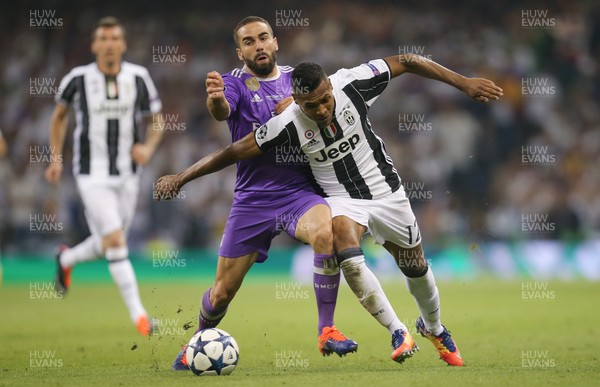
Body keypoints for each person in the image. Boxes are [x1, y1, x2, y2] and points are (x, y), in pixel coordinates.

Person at [155, 55, 503, 366]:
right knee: (347, 252)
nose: (321, 110)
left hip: (388, 192)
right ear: (297, 102)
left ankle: (434, 328)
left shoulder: (352, 82)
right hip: (342, 200)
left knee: (415, 267)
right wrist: (182, 177)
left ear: (330, 88)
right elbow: (233, 151)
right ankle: (397, 330)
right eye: (311, 106)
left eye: (325, 101)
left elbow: (408, 61)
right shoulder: (287, 123)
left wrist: (464, 82)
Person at [168, 16, 356, 370]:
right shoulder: (234, 83)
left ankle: (326, 329)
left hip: (298, 192)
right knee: (222, 293)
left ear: (276, 42)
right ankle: (195, 341)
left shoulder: (298, 81)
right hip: (252, 200)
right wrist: (215, 100)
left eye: (263, 38)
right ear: (240, 51)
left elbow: (328, 112)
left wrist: (299, 106)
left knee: (324, 232)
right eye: (249, 42)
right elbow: (221, 110)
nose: (258, 46)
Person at [44, 16, 163, 336]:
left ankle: (66, 259)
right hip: (91, 174)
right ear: (94, 45)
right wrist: (55, 158)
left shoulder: (139, 77)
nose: (109, 44)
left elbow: (157, 121)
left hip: (128, 174)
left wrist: (148, 149)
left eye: (115, 38)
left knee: (109, 244)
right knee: (116, 239)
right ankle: (141, 318)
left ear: (123, 44)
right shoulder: (77, 78)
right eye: (103, 39)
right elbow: (59, 117)